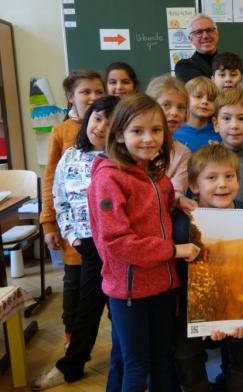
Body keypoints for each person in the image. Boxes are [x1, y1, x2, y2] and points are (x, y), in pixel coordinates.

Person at [87, 94, 201, 391]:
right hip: (129, 292)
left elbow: (150, 211)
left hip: (163, 286)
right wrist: (174, 251)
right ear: (120, 136)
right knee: (135, 366)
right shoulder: (109, 179)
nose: (148, 139)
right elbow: (118, 241)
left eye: (156, 130)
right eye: (137, 131)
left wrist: (176, 200)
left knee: (162, 359)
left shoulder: (157, 176)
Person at [31, 96, 120, 391]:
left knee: (114, 307)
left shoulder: (121, 159)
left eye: (110, 123)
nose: (100, 127)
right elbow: (61, 198)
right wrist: (71, 235)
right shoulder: (69, 155)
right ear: (87, 118)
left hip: (119, 245)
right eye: (97, 118)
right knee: (89, 306)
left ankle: (125, 365)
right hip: (88, 244)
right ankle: (72, 365)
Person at [173, 144, 243, 392]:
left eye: (229, 176)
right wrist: (208, 318)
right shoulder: (182, 223)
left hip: (238, 306)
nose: (222, 184)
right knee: (187, 358)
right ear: (194, 186)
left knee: (241, 355)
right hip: (191, 309)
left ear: (238, 181)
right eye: (211, 177)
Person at [40, 69, 105, 350]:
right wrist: (49, 223)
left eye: (98, 92)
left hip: (105, 234)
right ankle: (72, 340)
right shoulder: (62, 131)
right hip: (75, 231)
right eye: (85, 92)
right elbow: (52, 181)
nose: (92, 97)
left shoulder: (113, 130)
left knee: (99, 294)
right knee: (75, 287)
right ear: (70, 97)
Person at [175, 14, 243, 87]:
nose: (205, 36)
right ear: (190, 39)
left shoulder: (230, 62)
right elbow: (206, 92)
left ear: (217, 34)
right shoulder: (184, 66)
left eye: (209, 30)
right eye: (198, 32)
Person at [145, 74, 193, 201]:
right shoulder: (136, 145)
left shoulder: (183, 153)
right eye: (166, 105)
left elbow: (177, 193)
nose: (174, 112)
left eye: (181, 107)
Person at [213, 88, 243, 204]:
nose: (234, 125)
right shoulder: (206, 162)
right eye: (226, 118)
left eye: (241, 118)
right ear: (216, 124)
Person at [174, 76, 221, 152]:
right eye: (198, 96)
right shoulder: (173, 132)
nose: (205, 101)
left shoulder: (220, 133)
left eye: (211, 99)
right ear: (185, 99)